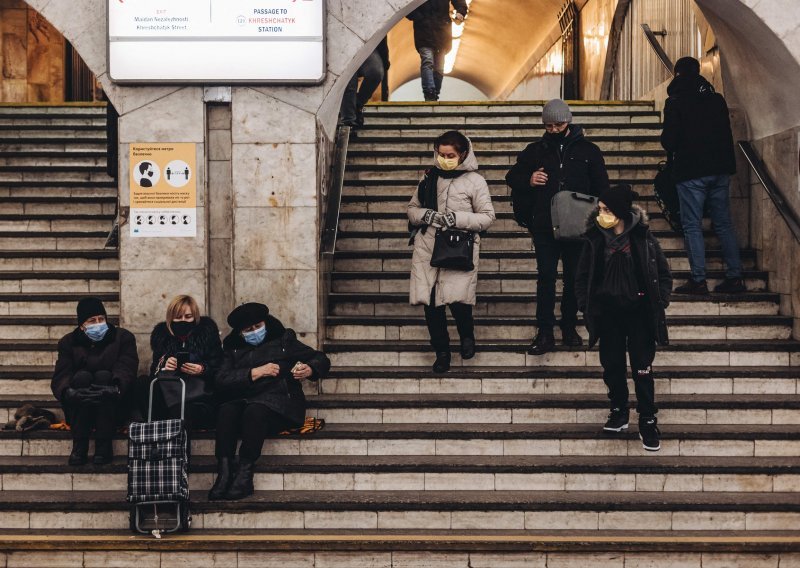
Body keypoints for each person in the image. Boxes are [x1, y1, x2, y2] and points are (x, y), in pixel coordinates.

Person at [506, 99, 610, 355]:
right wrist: (529, 179)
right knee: (546, 278)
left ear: (569, 121)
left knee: (575, 278)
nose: (553, 130)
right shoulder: (535, 150)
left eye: (558, 124)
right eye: (549, 125)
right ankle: (545, 330)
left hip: (578, 225)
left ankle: (568, 325)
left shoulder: (589, 151)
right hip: (544, 225)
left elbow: (601, 187)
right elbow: (512, 177)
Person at [575, 185, 673, 452]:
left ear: (619, 212)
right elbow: (582, 277)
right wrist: (585, 304)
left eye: (606, 210)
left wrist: (661, 299)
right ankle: (618, 410)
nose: (600, 213)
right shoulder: (594, 240)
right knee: (612, 365)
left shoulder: (644, 239)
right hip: (608, 314)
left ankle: (647, 418)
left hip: (639, 314)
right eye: (600, 209)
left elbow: (663, 273)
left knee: (642, 367)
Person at [209, 302, 331, 501]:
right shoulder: (232, 349)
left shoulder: (284, 340)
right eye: (248, 330)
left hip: (280, 404)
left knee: (255, 411)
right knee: (226, 411)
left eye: (258, 327)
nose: (255, 332)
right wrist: (254, 373)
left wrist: (309, 369)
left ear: (265, 323)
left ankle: (244, 476)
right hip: (244, 401)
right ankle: (224, 474)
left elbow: (320, 358)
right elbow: (221, 379)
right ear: (240, 333)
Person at [408, 130, 495, 373]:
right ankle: (442, 352)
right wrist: (428, 215)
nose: (444, 158)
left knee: (458, 302)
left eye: (450, 155)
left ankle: (467, 336)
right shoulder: (428, 177)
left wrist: (456, 218)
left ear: (463, 154)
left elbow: (488, 217)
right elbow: (412, 209)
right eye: (441, 154)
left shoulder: (475, 181)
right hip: (427, 248)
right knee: (432, 306)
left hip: (458, 248)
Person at [661, 56, 745, 295]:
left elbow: (669, 141)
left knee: (692, 226)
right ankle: (735, 277)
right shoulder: (716, 100)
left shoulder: (675, 102)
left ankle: (699, 280)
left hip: (690, 173)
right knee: (724, 224)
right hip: (719, 171)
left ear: (677, 75)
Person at [51, 297, 139, 465]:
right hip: (80, 406)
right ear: (82, 325)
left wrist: (116, 388)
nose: (98, 323)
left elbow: (126, 367)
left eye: (101, 319)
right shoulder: (68, 342)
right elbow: (62, 374)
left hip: (113, 405)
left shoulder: (122, 338)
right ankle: (80, 445)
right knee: (81, 377)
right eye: (92, 320)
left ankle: (104, 445)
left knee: (104, 377)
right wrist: (68, 392)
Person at [144, 295, 223, 431]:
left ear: (195, 317)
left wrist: (202, 369)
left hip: (199, 398)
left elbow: (219, 367)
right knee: (143, 384)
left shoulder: (207, 335)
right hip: (170, 394)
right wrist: (164, 365)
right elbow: (153, 372)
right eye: (178, 317)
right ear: (171, 318)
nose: (183, 321)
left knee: (183, 413)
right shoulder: (162, 338)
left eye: (188, 317)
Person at [406, 0, 468, 101]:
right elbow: (405, 5)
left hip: (441, 31)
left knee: (439, 66)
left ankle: (434, 94)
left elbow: (459, 2)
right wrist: (419, 18)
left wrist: (461, 12)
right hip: (425, 31)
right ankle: (429, 92)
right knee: (428, 61)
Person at [339, 38, 390, 128]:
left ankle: (357, 103)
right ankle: (349, 120)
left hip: (367, 45)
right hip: (343, 44)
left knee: (376, 72)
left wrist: (385, 60)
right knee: (350, 82)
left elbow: (381, 36)